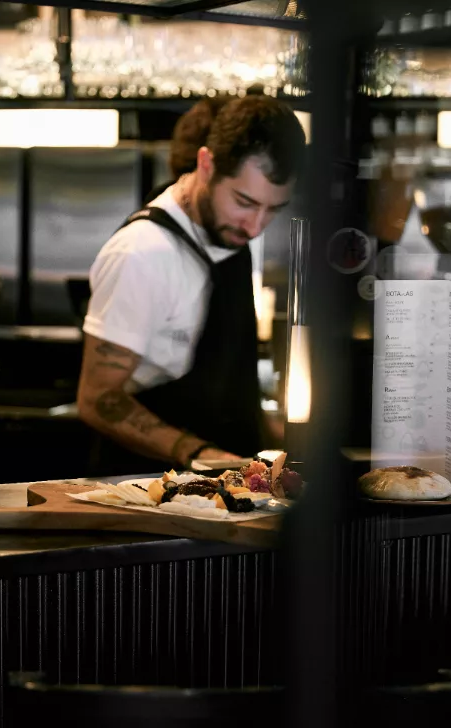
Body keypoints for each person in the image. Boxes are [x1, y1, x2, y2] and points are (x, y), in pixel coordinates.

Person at [77, 95, 306, 475]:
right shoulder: (142, 254)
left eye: (273, 210)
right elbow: (97, 399)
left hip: (228, 485)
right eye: (244, 201)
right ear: (206, 164)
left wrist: (274, 440)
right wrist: (199, 453)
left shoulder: (225, 232)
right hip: (146, 489)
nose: (255, 226)